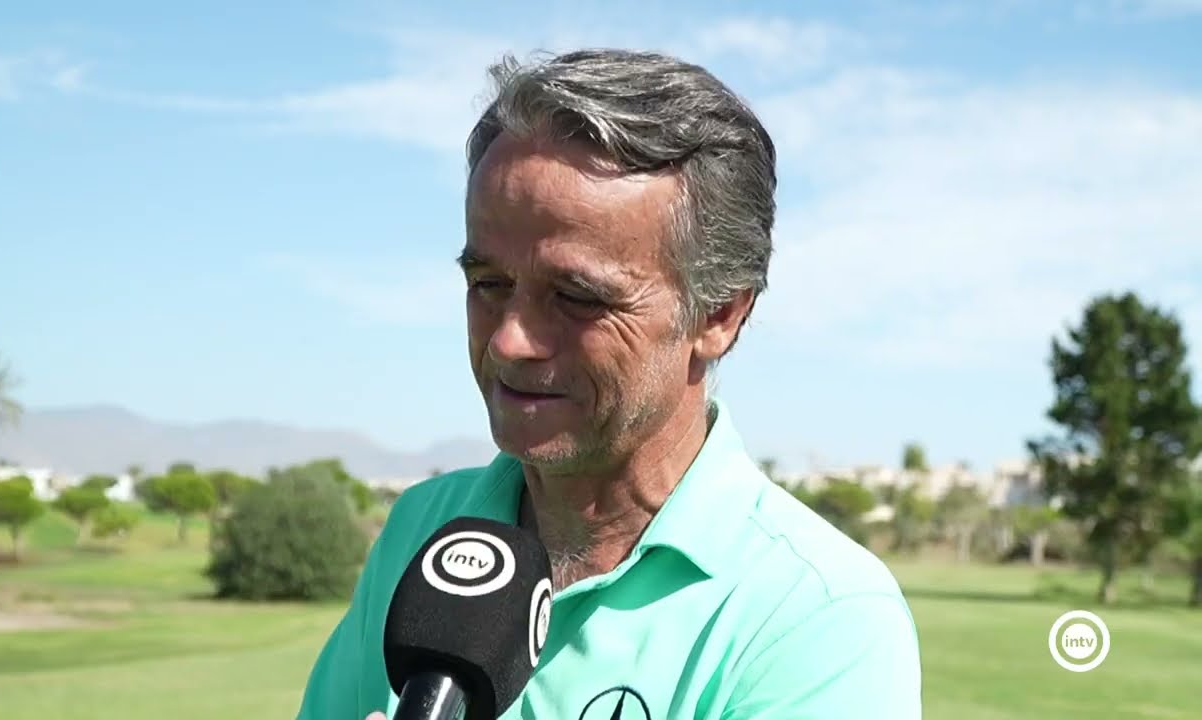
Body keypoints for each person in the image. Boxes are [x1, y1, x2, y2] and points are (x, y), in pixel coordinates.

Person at [296, 48, 922, 720]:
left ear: (719, 314)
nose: (509, 341)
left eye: (576, 297)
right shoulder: (424, 527)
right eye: (488, 284)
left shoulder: (817, 618)